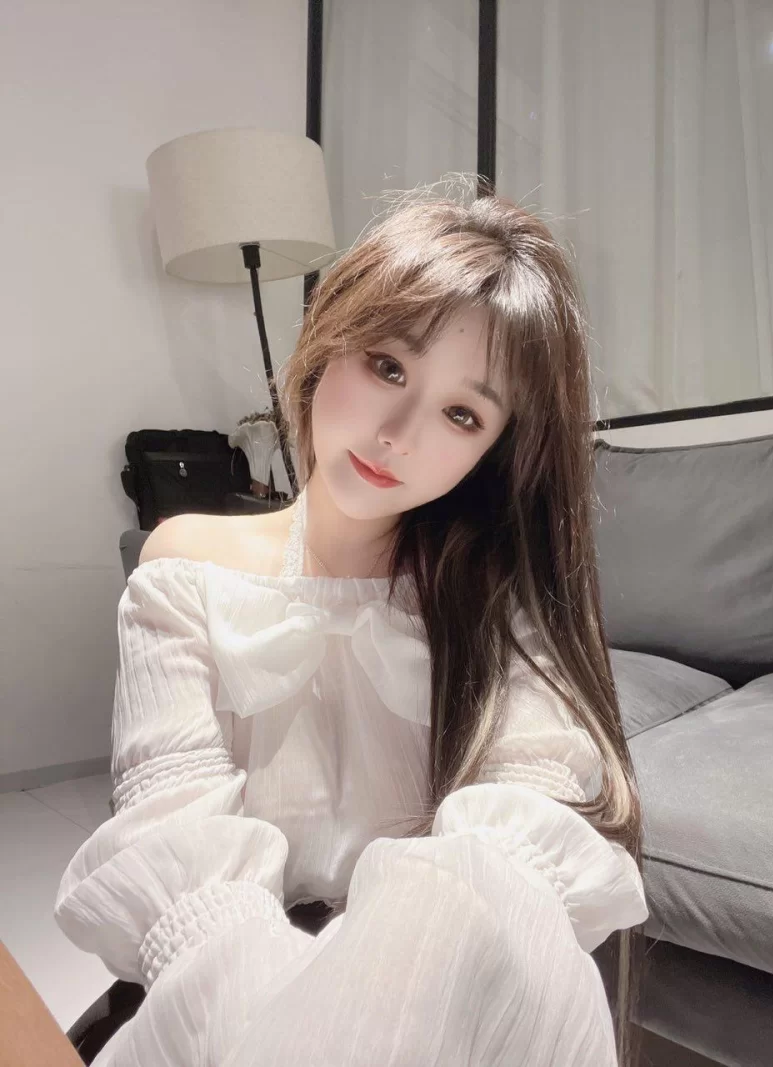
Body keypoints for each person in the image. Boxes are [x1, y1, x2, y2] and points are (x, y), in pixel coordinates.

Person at [55, 178, 648, 1066]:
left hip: (439, 1001)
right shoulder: (185, 563)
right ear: (331, 334)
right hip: (218, 1003)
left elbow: (513, 854)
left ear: (492, 452)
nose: (398, 432)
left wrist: (382, 993)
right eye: (388, 366)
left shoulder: (495, 599)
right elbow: (175, 841)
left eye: (462, 413)